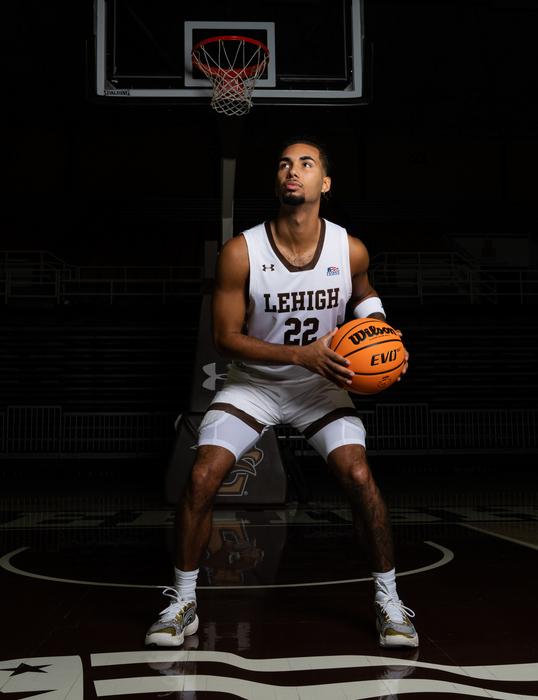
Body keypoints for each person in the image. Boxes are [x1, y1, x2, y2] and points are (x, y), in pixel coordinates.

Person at [145, 138, 418, 649]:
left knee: (359, 475)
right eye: (284, 164)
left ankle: (389, 602)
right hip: (255, 385)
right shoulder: (241, 251)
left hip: (322, 386)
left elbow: (363, 292)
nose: (293, 171)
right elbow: (226, 339)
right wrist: (300, 355)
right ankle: (182, 602)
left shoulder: (348, 247)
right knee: (202, 474)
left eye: (306, 164)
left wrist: (382, 340)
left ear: (325, 183)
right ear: (278, 181)